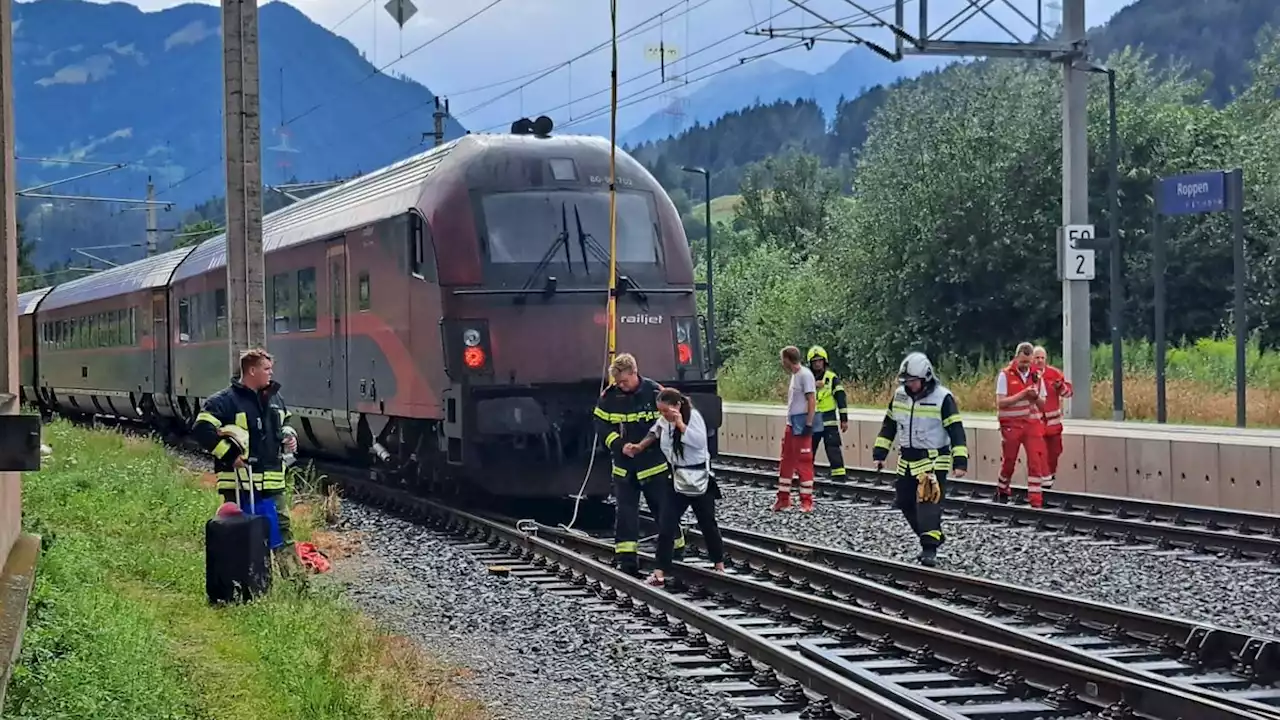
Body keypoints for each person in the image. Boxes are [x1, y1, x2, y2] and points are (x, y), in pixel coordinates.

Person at [192, 348, 300, 575]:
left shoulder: (274, 398)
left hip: (271, 483)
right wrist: (230, 456)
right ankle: (246, 580)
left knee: (281, 531)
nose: (271, 373)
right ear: (252, 370)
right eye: (266, 369)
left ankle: (296, 585)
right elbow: (202, 430)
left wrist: (289, 437)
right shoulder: (224, 402)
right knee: (244, 533)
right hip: (240, 484)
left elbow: (285, 423)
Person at [871, 352, 968, 567]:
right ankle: (931, 535)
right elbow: (889, 425)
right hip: (906, 460)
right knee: (904, 501)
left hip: (933, 461)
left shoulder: (943, 398)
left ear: (926, 377)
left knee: (928, 503)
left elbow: (956, 430)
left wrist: (960, 461)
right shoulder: (899, 396)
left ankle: (929, 549)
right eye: (907, 381)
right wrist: (880, 453)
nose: (910, 385)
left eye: (913, 381)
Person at [593, 352, 684, 576]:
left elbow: (672, 419)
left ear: (635, 373)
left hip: (653, 465)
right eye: (618, 382)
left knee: (662, 509)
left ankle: (675, 548)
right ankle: (627, 559)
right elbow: (601, 425)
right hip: (624, 467)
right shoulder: (609, 397)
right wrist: (619, 445)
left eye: (624, 381)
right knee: (625, 513)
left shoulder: (655, 393)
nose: (621, 386)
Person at [627, 388, 726, 586]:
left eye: (666, 411)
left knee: (708, 523)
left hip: (698, 479)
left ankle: (719, 564)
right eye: (661, 412)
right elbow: (655, 431)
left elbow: (699, 443)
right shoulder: (665, 421)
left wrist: (680, 424)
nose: (663, 415)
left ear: (677, 406)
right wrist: (639, 447)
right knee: (666, 525)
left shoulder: (693, 417)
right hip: (677, 478)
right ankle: (660, 571)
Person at [996, 342, 1050, 508]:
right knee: (1009, 460)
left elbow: (1043, 405)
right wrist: (1023, 394)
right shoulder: (1005, 375)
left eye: (1028, 362)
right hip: (1011, 425)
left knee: (1035, 461)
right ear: (1016, 358)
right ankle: (1003, 488)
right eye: (1022, 362)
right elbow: (1001, 403)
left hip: (1031, 424)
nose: (1025, 366)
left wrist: (1034, 397)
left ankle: (1036, 501)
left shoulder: (1037, 376)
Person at [772, 345, 817, 512]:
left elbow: (811, 400)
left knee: (803, 462)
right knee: (787, 461)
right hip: (792, 424)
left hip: (801, 424)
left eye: (782, 359)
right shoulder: (795, 375)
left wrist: (809, 423)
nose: (781, 362)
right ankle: (783, 499)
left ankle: (807, 501)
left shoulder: (805, 375)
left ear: (787, 359)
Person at [1032, 345, 1072, 489]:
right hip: (1037, 424)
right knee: (1040, 453)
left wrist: (1060, 387)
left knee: (1055, 452)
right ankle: (1045, 481)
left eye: (1042, 358)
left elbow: (1068, 393)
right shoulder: (1027, 375)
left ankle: (1050, 476)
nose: (1040, 360)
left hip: (1053, 425)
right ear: (1032, 359)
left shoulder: (1054, 373)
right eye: (1037, 358)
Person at [807, 346, 849, 479]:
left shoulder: (832, 378)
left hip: (829, 419)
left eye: (820, 361)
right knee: (809, 449)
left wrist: (844, 419)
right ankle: (806, 474)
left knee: (833, 448)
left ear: (824, 362)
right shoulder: (806, 378)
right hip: (812, 420)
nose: (817, 363)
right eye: (815, 361)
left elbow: (841, 398)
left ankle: (839, 475)